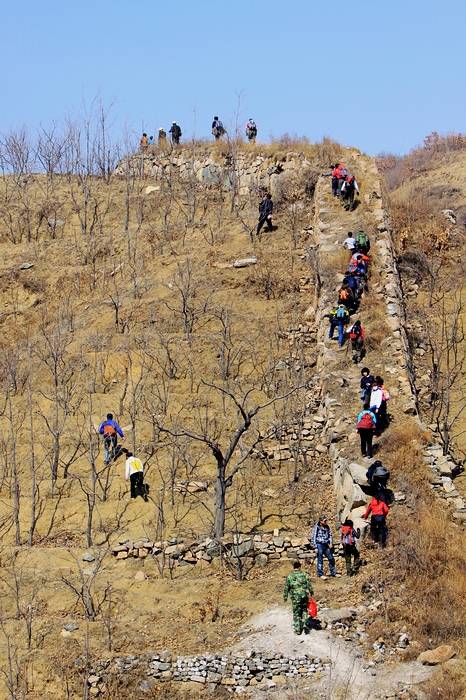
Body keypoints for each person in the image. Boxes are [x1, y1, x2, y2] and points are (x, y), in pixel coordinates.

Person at [283, 561, 313, 635]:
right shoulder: (305, 574)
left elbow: (286, 587)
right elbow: (309, 585)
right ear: (299, 567)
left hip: (295, 598)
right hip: (304, 596)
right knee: (304, 610)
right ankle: (305, 625)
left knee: (296, 612)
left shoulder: (290, 576)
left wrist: (285, 596)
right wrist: (311, 593)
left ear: (294, 567)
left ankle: (298, 630)